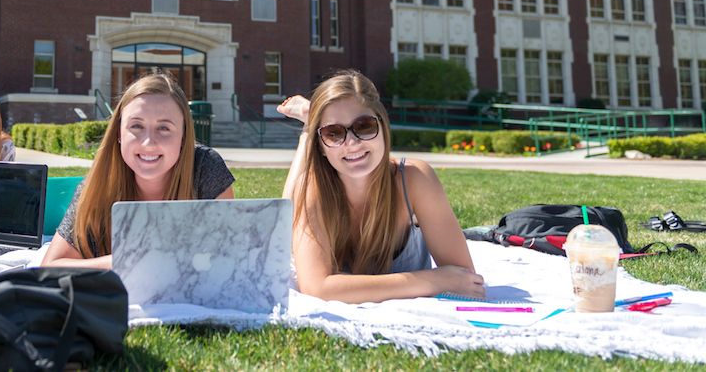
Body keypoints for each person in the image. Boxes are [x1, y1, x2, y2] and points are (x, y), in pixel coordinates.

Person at [279, 70, 484, 303]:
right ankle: (309, 128)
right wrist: (433, 280)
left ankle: (314, 120)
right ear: (321, 146)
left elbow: (466, 280)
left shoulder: (415, 179)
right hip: (307, 183)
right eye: (333, 133)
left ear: (383, 126)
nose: (352, 143)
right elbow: (317, 288)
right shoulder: (313, 189)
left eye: (364, 126)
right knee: (286, 214)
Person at [41, 73, 235, 269]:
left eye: (164, 128)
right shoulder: (97, 187)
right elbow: (50, 266)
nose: (148, 142)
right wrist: (127, 262)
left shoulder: (205, 167)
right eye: (136, 126)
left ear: (183, 136)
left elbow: (236, 254)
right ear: (118, 133)